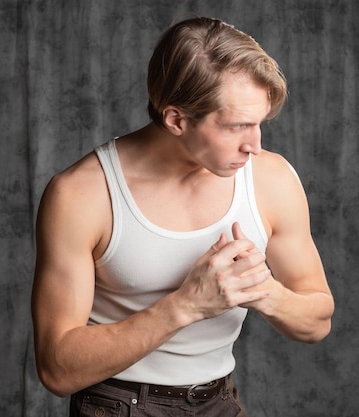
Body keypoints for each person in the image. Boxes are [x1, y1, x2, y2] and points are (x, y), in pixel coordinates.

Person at [31, 16, 334, 417]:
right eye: (237, 127)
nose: (255, 146)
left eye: (259, 123)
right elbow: (56, 369)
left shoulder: (271, 179)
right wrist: (186, 305)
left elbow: (317, 322)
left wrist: (263, 289)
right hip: (116, 405)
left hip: (220, 401)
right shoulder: (82, 195)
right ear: (176, 119)